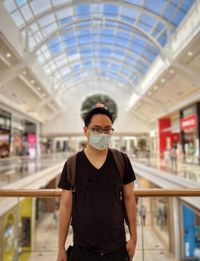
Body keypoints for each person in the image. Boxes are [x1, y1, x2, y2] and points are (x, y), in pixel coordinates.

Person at [57, 107, 137, 261]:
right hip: (83, 250)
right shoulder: (72, 164)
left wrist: (134, 238)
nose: (103, 134)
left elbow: (129, 199)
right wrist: (60, 247)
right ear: (86, 130)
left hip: (117, 248)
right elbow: (65, 206)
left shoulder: (122, 160)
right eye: (96, 129)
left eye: (107, 130)